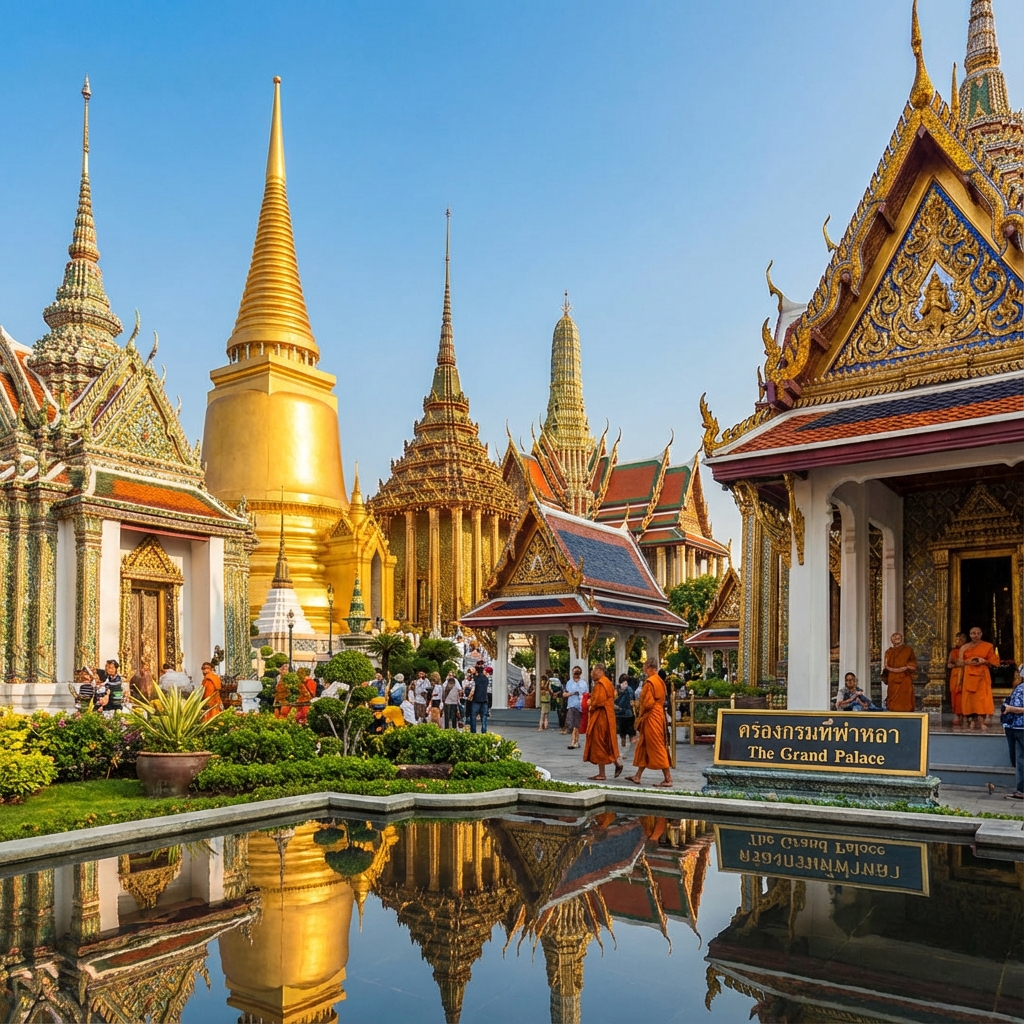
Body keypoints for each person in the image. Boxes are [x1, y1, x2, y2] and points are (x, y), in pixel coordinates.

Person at [628, 660, 673, 787]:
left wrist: (639, 708)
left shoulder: (650, 682)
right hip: (658, 714)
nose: (643, 670)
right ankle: (637, 776)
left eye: (644, 667)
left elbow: (647, 703)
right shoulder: (660, 681)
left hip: (652, 715)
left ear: (650, 668)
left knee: (656, 745)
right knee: (644, 744)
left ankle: (668, 778)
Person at [583, 664, 623, 780]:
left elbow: (599, 701)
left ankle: (603, 773)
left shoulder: (602, 683)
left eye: (594, 671)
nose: (592, 674)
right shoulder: (607, 683)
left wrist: (591, 702)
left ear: (600, 670)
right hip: (606, 716)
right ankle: (613, 766)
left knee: (599, 742)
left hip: (601, 717)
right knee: (603, 743)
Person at [957, 626, 999, 730]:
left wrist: (983, 661)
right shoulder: (964, 647)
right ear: (970, 635)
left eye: (977, 633)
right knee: (970, 699)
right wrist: (969, 662)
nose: (975, 635)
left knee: (982, 698)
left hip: (982, 676)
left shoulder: (988, 646)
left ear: (981, 634)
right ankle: (972, 719)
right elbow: (959, 662)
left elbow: (995, 662)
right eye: (972, 633)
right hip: (969, 675)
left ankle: (982, 721)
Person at [1001, 665, 1024, 800]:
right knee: (1020, 759)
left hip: (1020, 727)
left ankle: (1021, 790)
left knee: (1021, 759)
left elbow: (1019, 708)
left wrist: (1009, 708)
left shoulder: (1021, 689)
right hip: (1018, 727)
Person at [881, 633, 917, 712]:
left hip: (904, 676)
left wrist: (906, 667)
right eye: (894, 637)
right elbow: (886, 665)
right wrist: (892, 670)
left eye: (898, 637)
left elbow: (913, 662)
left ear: (902, 639)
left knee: (906, 695)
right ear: (891, 640)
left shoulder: (908, 650)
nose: (897, 638)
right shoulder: (888, 652)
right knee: (892, 695)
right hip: (892, 677)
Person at [947, 632, 968, 726]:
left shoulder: (969, 650)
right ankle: (956, 714)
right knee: (955, 695)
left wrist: (963, 664)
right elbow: (949, 665)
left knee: (964, 695)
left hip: (966, 674)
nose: (958, 641)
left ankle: (965, 715)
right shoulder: (953, 652)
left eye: (961, 640)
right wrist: (957, 664)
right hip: (955, 675)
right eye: (957, 640)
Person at [564, 666, 587, 749]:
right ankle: (573, 741)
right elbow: (564, 694)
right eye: (575, 672)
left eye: (577, 672)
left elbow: (586, 695)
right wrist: (572, 693)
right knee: (571, 724)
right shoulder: (569, 683)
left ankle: (575, 741)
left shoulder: (583, 683)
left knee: (576, 725)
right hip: (571, 705)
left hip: (579, 706)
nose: (576, 674)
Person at [467, 662, 490, 733]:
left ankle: (473, 731)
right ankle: (484, 731)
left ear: (476, 671)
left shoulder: (475, 679)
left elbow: (471, 688)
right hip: (484, 700)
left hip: (476, 700)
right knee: (484, 717)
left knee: (473, 716)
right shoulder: (486, 679)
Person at [615, 675, 636, 749]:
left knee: (630, 733)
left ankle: (631, 748)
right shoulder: (620, 689)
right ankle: (625, 747)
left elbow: (627, 700)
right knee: (623, 733)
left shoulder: (629, 689)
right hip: (622, 714)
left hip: (626, 713)